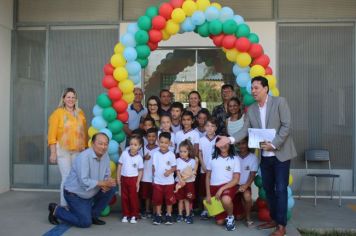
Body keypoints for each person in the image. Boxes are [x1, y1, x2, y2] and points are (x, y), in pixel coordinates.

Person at [216, 76, 297, 236]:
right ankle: (274, 218)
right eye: (252, 88)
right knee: (268, 189)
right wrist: (230, 139)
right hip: (265, 157)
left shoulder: (280, 102)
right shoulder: (251, 109)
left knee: (280, 189)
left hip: (281, 154)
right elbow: (244, 130)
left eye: (256, 88)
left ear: (266, 88)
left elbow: (287, 126)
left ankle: (281, 226)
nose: (253, 91)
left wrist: (274, 144)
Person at [47, 133, 116, 228]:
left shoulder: (105, 156)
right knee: (84, 222)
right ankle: (56, 210)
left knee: (111, 188)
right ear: (92, 144)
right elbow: (84, 182)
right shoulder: (84, 157)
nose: (103, 147)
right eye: (100, 143)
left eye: (106, 144)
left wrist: (108, 183)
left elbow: (106, 175)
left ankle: (93, 215)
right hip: (75, 195)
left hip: (90, 192)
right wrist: (103, 183)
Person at [48, 87, 88, 207]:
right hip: (63, 150)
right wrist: (53, 152)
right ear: (64, 99)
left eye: (73, 97)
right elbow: (51, 135)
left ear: (76, 99)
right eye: (68, 97)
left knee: (76, 177)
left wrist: (85, 148)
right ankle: (64, 205)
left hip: (78, 150)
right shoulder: (57, 113)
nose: (71, 99)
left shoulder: (80, 113)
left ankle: (74, 203)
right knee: (66, 177)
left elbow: (84, 133)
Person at [205, 138, 240, 231]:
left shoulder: (235, 159)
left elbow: (236, 180)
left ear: (230, 145)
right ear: (217, 145)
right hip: (213, 188)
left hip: (227, 186)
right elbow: (208, 176)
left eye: (226, 143)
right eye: (221, 143)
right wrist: (208, 194)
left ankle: (230, 218)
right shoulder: (212, 157)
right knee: (219, 222)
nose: (223, 146)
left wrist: (221, 189)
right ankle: (227, 213)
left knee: (226, 199)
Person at [117, 135, 144, 224]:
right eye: (131, 144)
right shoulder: (124, 153)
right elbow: (120, 165)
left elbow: (140, 171)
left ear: (139, 146)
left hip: (133, 179)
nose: (133, 146)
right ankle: (126, 214)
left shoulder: (139, 158)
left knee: (133, 198)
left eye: (135, 144)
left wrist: (138, 182)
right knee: (124, 197)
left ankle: (134, 215)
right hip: (124, 178)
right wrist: (118, 178)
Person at [152, 132, 177, 225]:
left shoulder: (171, 154)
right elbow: (153, 167)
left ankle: (168, 215)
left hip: (169, 182)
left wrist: (169, 171)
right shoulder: (155, 154)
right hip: (158, 182)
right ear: (158, 142)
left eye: (166, 143)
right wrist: (154, 178)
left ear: (169, 143)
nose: (163, 144)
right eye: (161, 142)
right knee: (158, 200)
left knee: (169, 200)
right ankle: (158, 215)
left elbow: (174, 167)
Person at [234, 137, 258, 227]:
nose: (241, 146)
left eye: (243, 143)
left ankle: (248, 218)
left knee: (247, 196)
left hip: (245, 185)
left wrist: (245, 186)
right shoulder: (234, 156)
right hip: (233, 185)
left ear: (248, 144)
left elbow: (252, 175)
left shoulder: (253, 158)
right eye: (239, 144)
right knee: (238, 217)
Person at [198, 117, 218, 220]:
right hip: (204, 169)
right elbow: (200, 154)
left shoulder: (218, 139)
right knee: (205, 191)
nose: (210, 128)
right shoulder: (201, 139)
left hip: (216, 171)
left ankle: (214, 210)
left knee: (214, 190)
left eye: (212, 126)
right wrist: (203, 165)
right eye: (208, 126)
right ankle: (205, 210)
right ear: (204, 127)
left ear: (216, 128)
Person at [175, 139, 198, 224]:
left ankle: (188, 215)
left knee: (187, 199)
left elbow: (194, 172)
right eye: (180, 151)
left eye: (184, 151)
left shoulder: (192, 161)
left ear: (189, 151)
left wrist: (196, 163)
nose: (182, 153)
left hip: (189, 183)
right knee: (180, 199)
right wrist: (181, 181)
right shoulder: (177, 160)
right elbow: (177, 171)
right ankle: (180, 214)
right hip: (180, 183)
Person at [140, 128, 159, 219]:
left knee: (154, 195)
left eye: (153, 136)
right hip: (145, 176)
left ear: (156, 137)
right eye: (149, 136)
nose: (151, 138)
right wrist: (143, 158)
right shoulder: (142, 148)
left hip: (155, 177)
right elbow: (137, 161)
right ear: (146, 137)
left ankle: (154, 211)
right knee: (146, 195)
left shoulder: (159, 149)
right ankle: (147, 210)